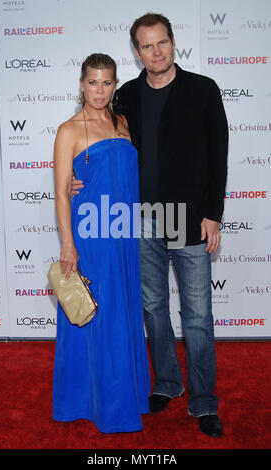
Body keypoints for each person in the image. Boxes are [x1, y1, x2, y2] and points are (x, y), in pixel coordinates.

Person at [72, 13, 228, 438]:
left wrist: (213, 213)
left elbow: (219, 154)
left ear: (173, 43)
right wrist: (75, 178)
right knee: (154, 309)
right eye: (146, 45)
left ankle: (203, 401)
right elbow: (102, 146)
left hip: (189, 215)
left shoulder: (202, 89)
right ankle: (166, 383)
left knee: (197, 315)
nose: (155, 52)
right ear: (136, 51)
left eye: (162, 43)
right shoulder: (125, 96)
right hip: (141, 218)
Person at [52, 53, 150, 434]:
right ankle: (95, 401)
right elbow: (62, 193)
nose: (99, 90)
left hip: (123, 234)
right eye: (92, 82)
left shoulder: (122, 122)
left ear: (114, 85)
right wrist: (68, 245)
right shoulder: (69, 130)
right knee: (95, 313)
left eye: (107, 82)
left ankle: (126, 394)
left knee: (121, 312)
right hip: (91, 237)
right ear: (81, 83)